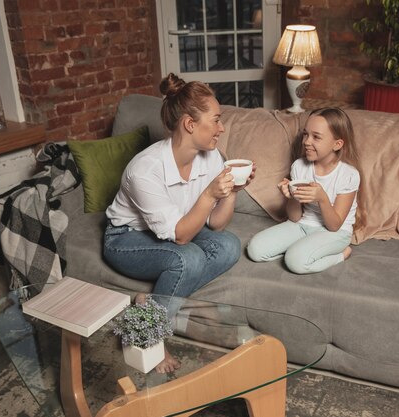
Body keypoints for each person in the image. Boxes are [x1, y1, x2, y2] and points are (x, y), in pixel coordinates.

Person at [103, 73, 254, 372]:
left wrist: (233, 192)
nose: (221, 128)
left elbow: (217, 226)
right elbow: (183, 238)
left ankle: (152, 302)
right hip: (125, 239)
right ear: (189, 124)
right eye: (216, 120)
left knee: (229, 246)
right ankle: (146, 335)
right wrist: (211, 193)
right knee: (188, 260)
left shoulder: (210, 157)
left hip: (172, 233)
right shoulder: (144, 170)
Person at [246, 107, 359, 274]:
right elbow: (294, 217)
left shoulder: (348, 175)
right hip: (303, 225)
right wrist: (291, 196)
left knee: (294, 261)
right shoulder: (299, 166)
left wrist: (322, 199)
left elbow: (334, 226)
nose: (306, 141)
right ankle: (299, 248)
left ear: (337, 144)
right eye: (306, 134)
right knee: (255, 250)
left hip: (335, 232)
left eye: (316, 137)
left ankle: (341, 254)